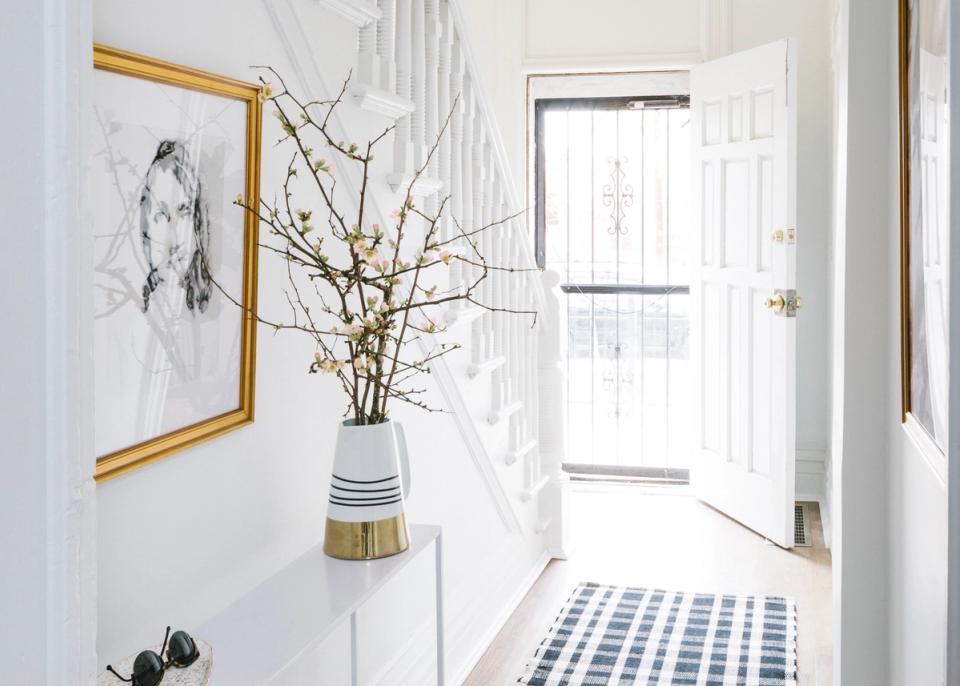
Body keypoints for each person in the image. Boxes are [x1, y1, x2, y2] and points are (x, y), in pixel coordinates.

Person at [139, 139, 213, 314]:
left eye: (184, 212)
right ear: (144, 228)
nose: (175, 235)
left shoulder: (200, 310)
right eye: (161, 215)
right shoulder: (138, 305)